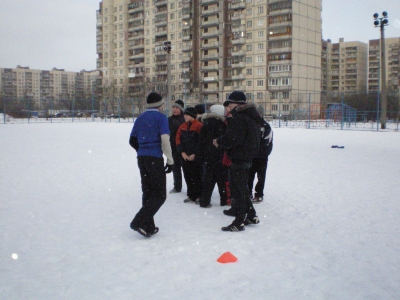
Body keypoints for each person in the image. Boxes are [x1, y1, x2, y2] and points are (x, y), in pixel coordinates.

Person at [213, 91, 263, 232]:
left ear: (236, 103)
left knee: (238, 190)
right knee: (242, 188)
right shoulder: (251, 116)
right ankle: (251, 215)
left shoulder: (240, 118)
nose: (228, 107)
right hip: (247, 157)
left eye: (229, 104)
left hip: (240, 157)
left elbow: (234, 139)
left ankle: (239, 221)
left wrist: (219, 141)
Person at [129, 92, 174, 238]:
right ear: (160, 105)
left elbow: (132, 140)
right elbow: (165, 140)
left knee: (148, 192)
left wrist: (142, 149)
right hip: (154, 158)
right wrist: (170, 159)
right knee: (160, 194)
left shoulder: (140, 117)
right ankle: (139, 221)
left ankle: (148, 226)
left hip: (142, 158)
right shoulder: (161, 118)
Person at [197, 104, 227, 207]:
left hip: (208, 156)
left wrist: (202, 154)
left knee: (208, 180)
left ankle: (204, 201)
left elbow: (200, 141)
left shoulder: (205, 124)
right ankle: (224, 201)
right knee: (221, 180)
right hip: (220, 155)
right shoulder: (223, 125)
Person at [176, 107, 203, 203]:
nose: (185, 116)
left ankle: (199, 195)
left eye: (187, 115)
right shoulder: (182, 126)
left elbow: (201, 141)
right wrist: (182, 152)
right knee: (187, 175)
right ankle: (191, 195)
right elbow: (178, 140)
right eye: (184, 115)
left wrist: (195, 154)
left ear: (192, 116)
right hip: (185, 156)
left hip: (195, 157)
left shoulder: (199, 126)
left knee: (197, 176)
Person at [248, 107, 273, 203]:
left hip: (261, 156)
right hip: (252, 156)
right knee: (249, 176)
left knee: (260, 177)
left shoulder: (266, 126)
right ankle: (249, 194)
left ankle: (259, 194)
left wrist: (263, 153)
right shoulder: (251, 124)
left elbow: (268, 141)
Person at [168, 100, 185, 194]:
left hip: (183, 148)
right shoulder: (169, 119)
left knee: (187, 169)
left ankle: (192, 187)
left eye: (177, 108)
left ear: (181, 109)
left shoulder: (184, 119)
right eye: (173, 108)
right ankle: (177, 186)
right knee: (176, 167)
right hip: (173, 147)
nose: (174, 110)